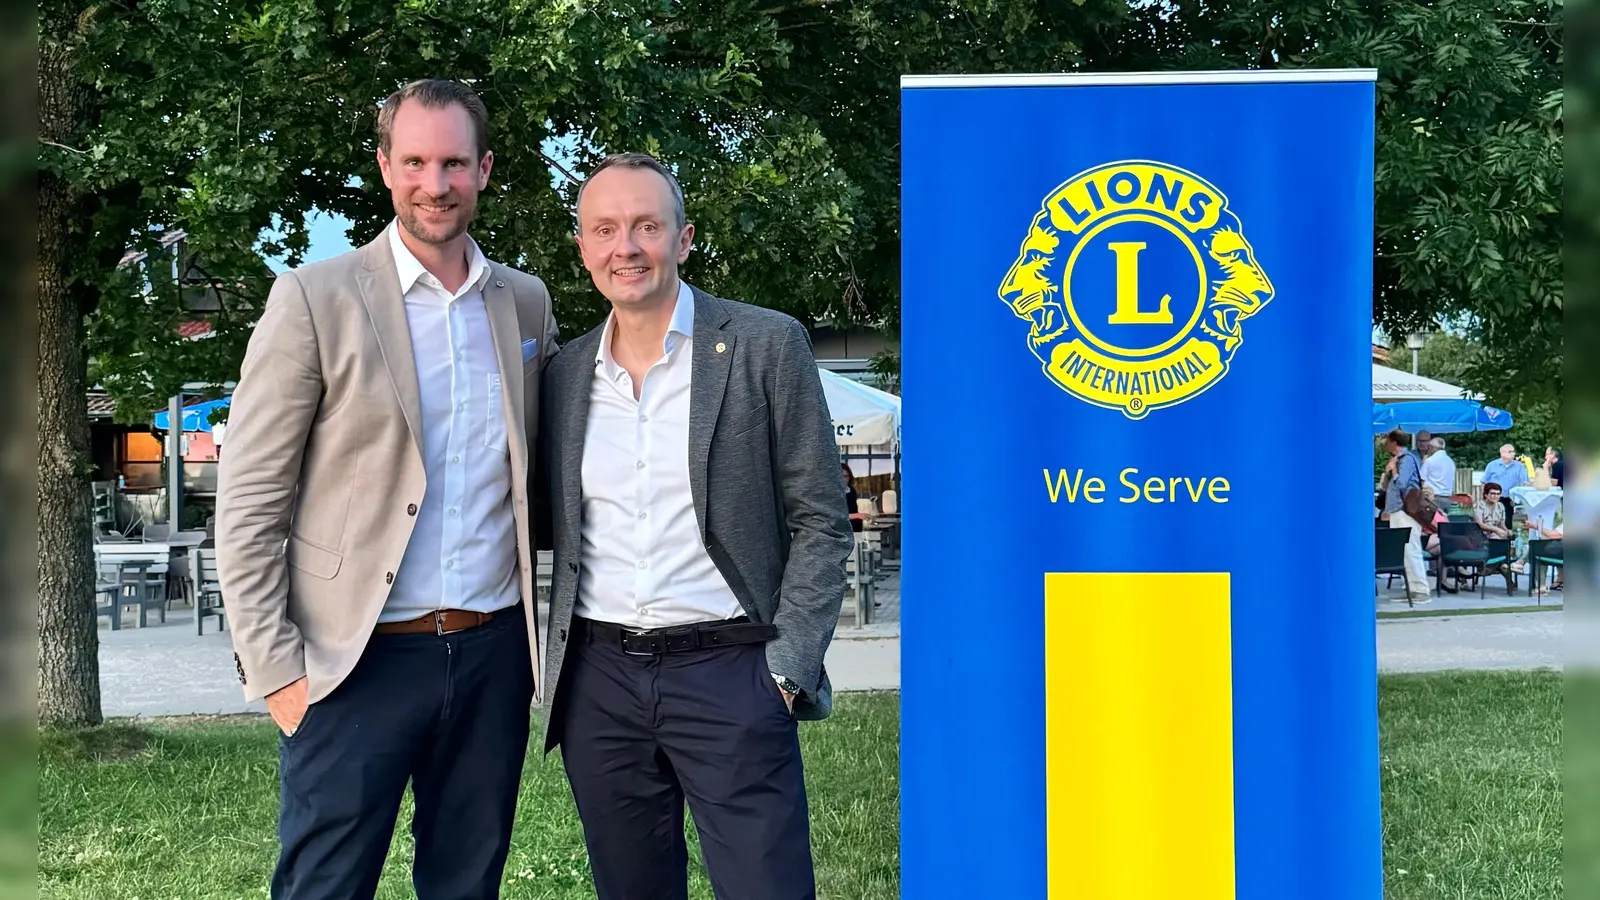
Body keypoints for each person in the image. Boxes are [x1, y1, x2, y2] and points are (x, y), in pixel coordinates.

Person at [214, 79, 561, 900]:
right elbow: (251, 501)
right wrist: (279, 674)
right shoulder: (313, 299)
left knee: (466, 884)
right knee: (325, 888)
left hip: (491, 655)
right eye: (414, 161)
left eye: (452, 163)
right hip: (352, 663)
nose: (433, 183)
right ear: (384, 167)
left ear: (483, 170)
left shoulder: (527, 304)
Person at [535, 151, 851, 900]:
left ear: (684, 238)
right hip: (600, 682)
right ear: (582, 248)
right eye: (605, 229)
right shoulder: (563, 375)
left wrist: (785, 669)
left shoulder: (766, 345)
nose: (626, 247)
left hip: (733, 672)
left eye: (647, 225)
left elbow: (821, 520)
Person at [1379, 428, 1430, 604]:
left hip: (1405, 511)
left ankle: (1421, 590)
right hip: (1397, 510)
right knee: (1403, 551)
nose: (1384, 443)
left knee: (1411, 549)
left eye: (1387, 439)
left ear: (1394, 442)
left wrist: (1393, 471)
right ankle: (1410, 588)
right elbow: (1386, 487)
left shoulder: (1407, 460)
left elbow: (1402, 483)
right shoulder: (1397, 459)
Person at [1421, 436, 1456, 505]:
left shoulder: (1429, 461)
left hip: (1433, 498)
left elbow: (1421, 479)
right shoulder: (1451, 462)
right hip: (1448, 498)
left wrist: (1422, 463)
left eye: (1428, 447)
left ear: (1431, 447)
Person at [843, 462, 865, 532]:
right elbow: (836, 515)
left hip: (855, 528)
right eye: (841, 476)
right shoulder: (834, 493)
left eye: (846, 476)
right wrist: (857, 515)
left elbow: (854, 510)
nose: (843, 479)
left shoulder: (851, 490)